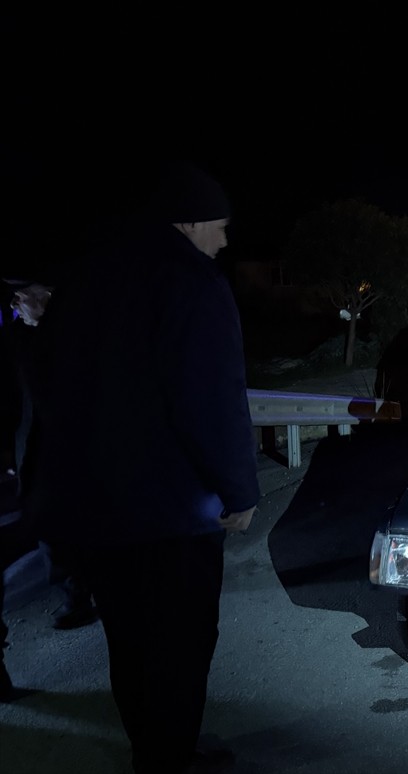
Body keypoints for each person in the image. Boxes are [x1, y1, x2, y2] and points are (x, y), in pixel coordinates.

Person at [27, 161, 261, 773]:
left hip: (90, 510)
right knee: (181, 644)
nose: (225, 241)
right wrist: (238, 490)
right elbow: (210, 401)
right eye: (221, 227)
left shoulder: (86, 281)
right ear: (189, 221)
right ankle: (171, 758)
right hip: (169, 514)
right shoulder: (191, 283)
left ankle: (153, 752)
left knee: (130, 643)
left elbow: (46, 389)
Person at [3, 280, 99, 631]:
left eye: (22, 293)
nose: (15, 300)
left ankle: (83, 594)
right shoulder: (18, 338)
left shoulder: (74, 339)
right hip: (34, 453)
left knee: (69, 527)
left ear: (44, 299)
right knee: (50, 529)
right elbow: (16, 398)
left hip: (70, 454)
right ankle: (78, 594)